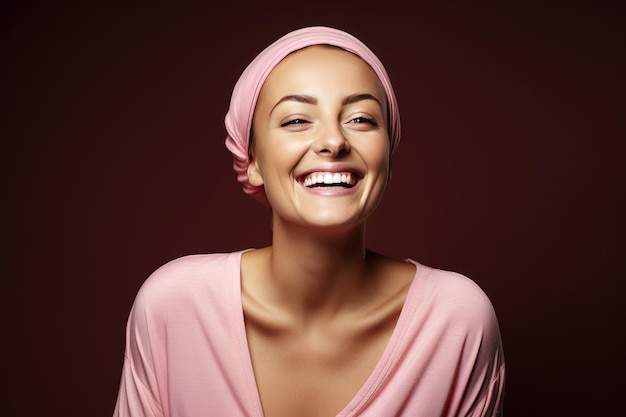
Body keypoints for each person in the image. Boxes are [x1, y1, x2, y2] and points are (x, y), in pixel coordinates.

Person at [113, 26, 505, 417]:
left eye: (361, 119)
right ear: (251, 161)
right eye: (297, 120)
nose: (334, 141)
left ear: (388, 154)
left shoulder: (456, 321)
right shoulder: (174, 308)